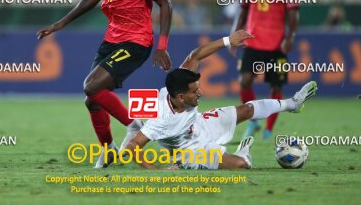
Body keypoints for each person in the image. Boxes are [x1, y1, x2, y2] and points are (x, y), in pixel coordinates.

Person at [36, 0, 173, 168]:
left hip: (136, 41)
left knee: (90, 86)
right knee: (93, 99)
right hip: (112, 39)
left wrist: (162, 45)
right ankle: (108, 149)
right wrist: (61, 23)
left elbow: (166, 3)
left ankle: (134, 125)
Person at [125, 30, 317, 170]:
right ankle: (243, 153)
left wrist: (228, 40)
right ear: (181, 97)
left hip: (199, 125)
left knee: (248, 110)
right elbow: (133, 146)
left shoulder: (180, 82)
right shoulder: (162, 119)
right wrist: (156, 170)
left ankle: (292, 103)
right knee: (242, 165)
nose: (200, 92)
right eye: (195, 91)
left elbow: (195, 55)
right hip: (190, 151)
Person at [235, 0, 299, 140]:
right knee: (244, 81)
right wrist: (236, 34)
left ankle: (269, 128)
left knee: (276, 86)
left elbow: (293, 14)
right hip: (253, 42)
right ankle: (253, 121)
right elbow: (244, 10)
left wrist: (290, 37)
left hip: (276, 45)